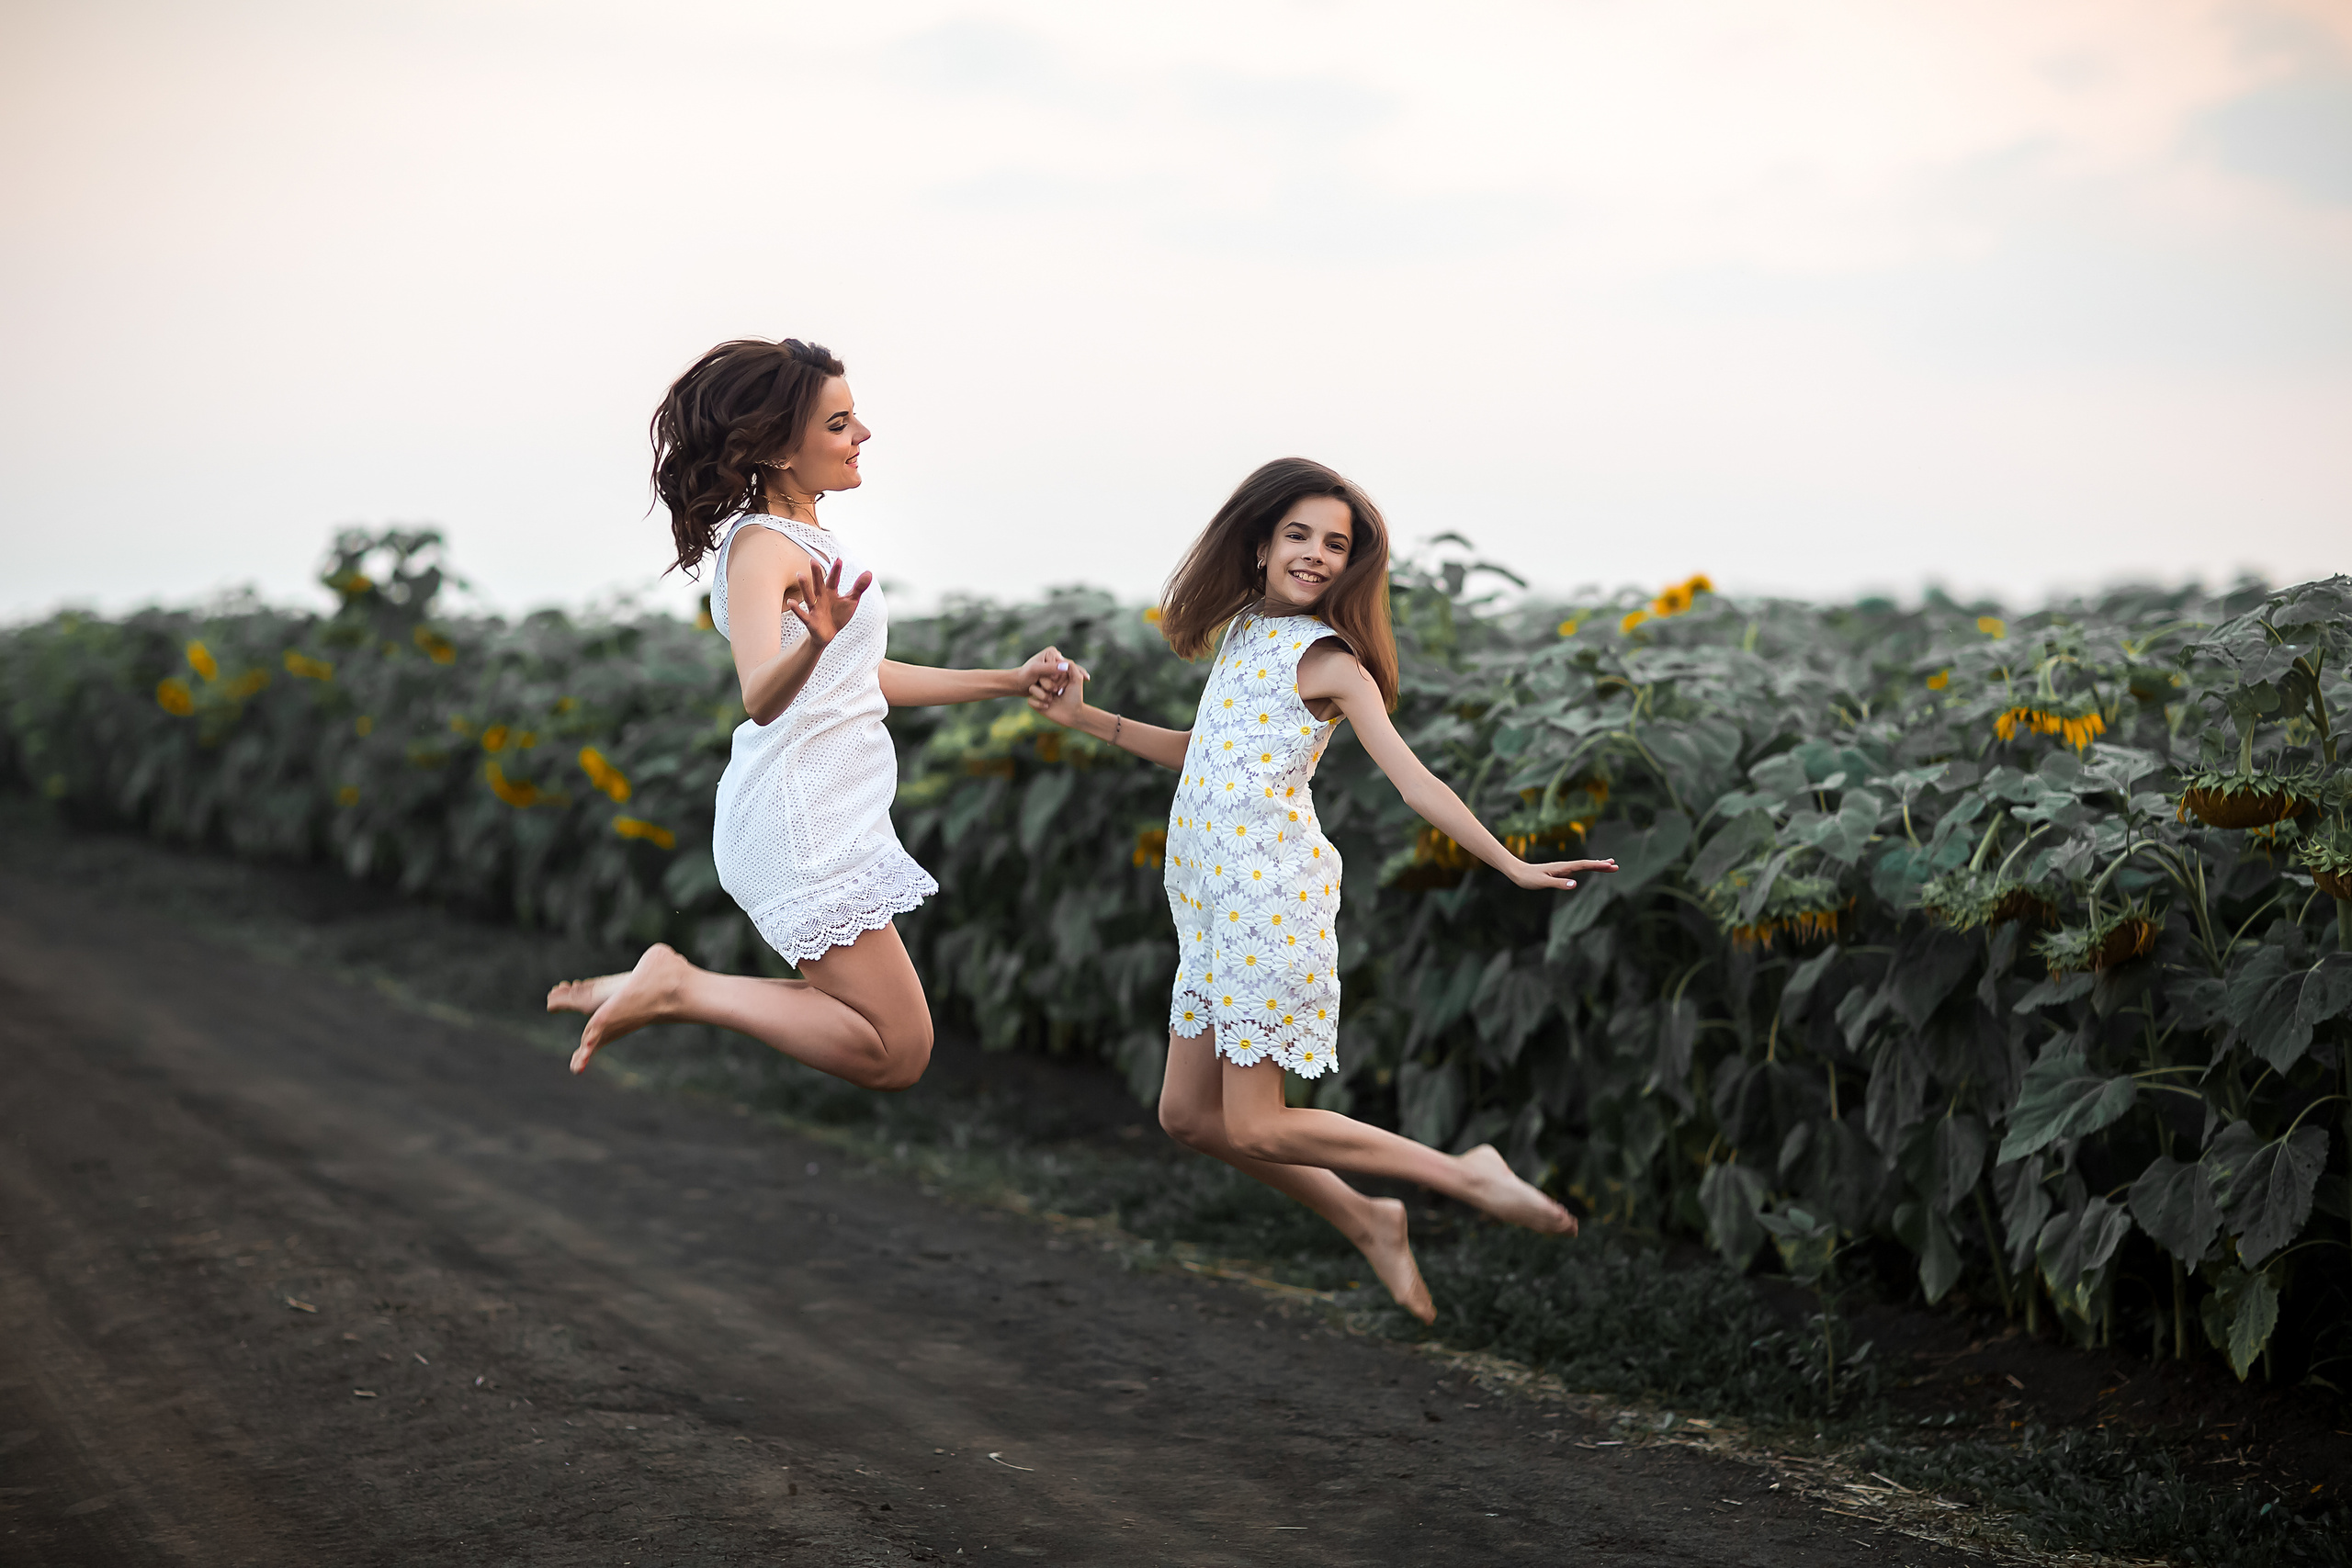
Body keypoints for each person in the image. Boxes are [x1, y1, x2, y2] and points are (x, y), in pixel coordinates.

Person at [1025, 457, 1613, 1322]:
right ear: (1261, 543)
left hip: (1273, 899)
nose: (1316, 554)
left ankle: (1465, 1174)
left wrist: (1512, 863)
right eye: (1299, 535)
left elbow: (1415, 784)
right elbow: (1208, 748)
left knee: (1258, 1123)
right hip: (1211, 905)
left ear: (1351, 565)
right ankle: (1371, 1218)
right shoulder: (1244, 633)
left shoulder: (1332, 661)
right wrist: (1086, 719)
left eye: (1335, 544)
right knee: (1188, 1114)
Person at [549, 337, 1071, 1089]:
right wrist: (812, 645)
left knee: (890, 1041)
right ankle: (679, 987)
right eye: (838, 423)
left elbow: (864, 676)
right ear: (777, 448)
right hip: (799, 818)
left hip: (826, 809)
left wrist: (1008, 681)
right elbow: (761, 694)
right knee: (897, 1049)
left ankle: (675, 988)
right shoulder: (764, 547)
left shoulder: (812, 539)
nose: (862, 435)